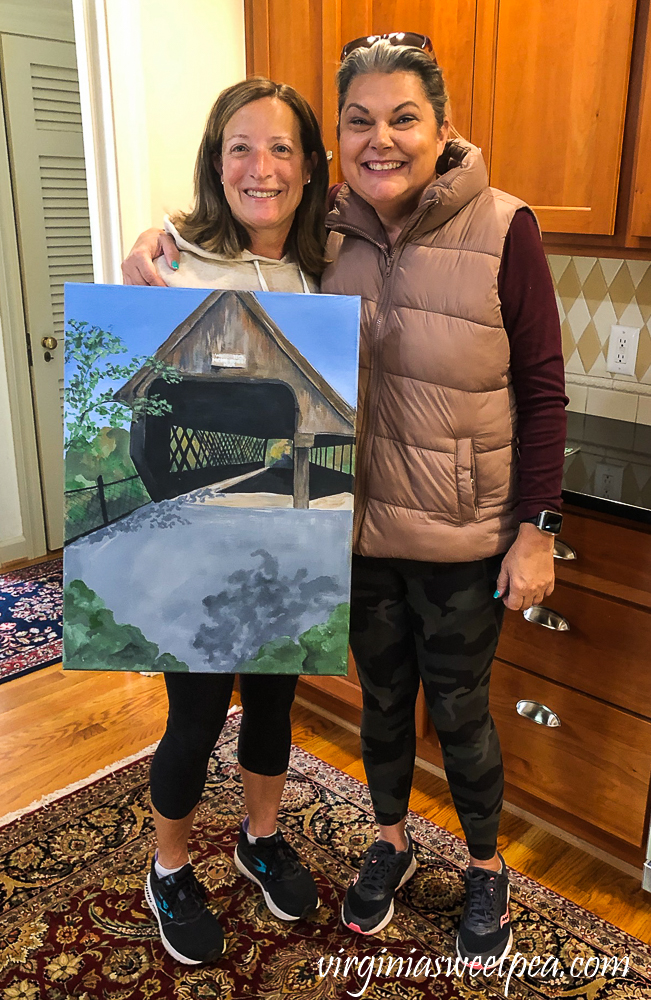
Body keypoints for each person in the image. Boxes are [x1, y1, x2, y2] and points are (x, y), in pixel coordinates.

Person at [124, 36, 567, 972]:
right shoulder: (241, 251)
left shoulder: (425, 231)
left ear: (440, 126)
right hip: (263, 539)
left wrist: (538, 527)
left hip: (384, 537)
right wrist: (149, 241)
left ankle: (309, 843)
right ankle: (188, 867)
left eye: (402, 117)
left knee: (389, 712)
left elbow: (540, 383)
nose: (380, 139)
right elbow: (141, 394)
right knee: (224, 717)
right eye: (358, 121)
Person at [122, 77, 329, 966]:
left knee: (275, 703)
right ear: (215, 160)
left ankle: (258, 836)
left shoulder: (322, 267)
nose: (262, 167)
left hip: (289, 536)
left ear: (308, 166)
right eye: (241, 146)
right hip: (197, 545)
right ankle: (167, 868)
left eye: (282, 148)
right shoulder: (171, 262)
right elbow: (145, 427)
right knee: (195, 714)